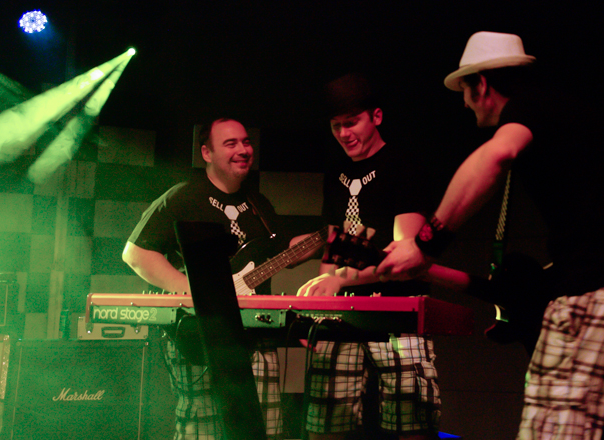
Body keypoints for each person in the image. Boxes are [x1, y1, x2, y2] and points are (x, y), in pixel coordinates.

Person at [375, 32, 604, 440]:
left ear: (481, 85)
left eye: (464, 91)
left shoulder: (528, 107)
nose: (464, 104)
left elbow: (494, 156)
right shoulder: (555, 115)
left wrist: (425, 244)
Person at [123, 117, 297, 440]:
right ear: (206, 152)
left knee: (265, 427)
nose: (243, 149)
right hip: (200, 332)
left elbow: (283, 251)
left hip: (255, 335)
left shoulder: (258, 205)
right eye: (231, 143)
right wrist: (192, 291)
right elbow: (136, 253)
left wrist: (325, 241)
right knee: (202, 429)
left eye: (246, 142)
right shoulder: (183, 197)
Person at [296, 73, 441, 440]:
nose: (344, 133)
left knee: (412, 422)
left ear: (376, 116)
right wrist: (320, 304)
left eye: (352, 122)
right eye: (336, 126)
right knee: (326, 422)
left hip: (398, 314)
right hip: (343, 316)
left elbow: (405, 258)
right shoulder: (336, 172)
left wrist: (337, 281)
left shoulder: (404, 165)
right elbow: (333, 245)